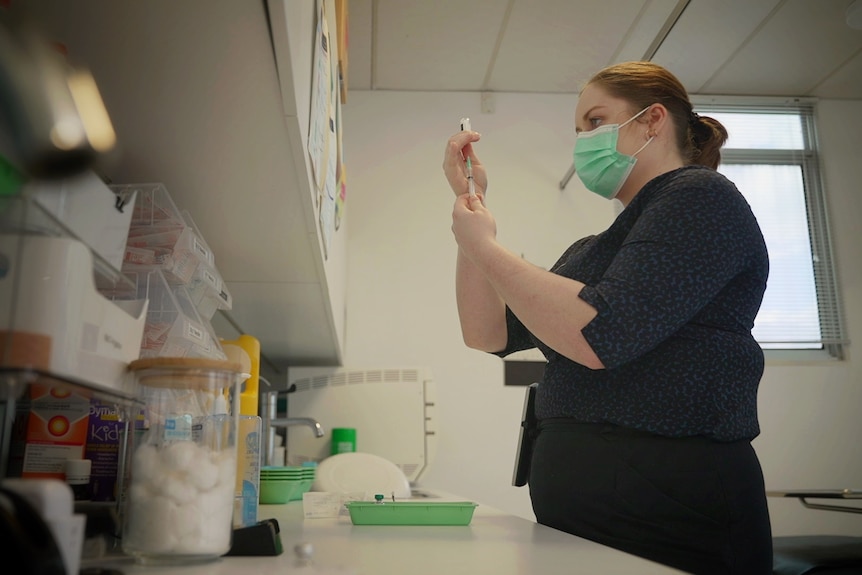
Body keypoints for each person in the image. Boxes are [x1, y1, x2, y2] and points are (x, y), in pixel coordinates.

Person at [442, 61, 773, 574]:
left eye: (594, 122)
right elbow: (487, 334)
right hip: (586, 509)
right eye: (578, 131)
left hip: (671, 509)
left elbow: (601, 335)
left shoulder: (700, 197)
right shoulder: (592, 249)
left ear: (652, 121)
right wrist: (473, 207)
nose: (583, 142)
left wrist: (484, 247)